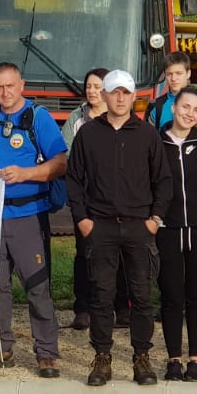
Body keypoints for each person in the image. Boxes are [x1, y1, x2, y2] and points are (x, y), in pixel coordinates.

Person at [66, 69, 170, 388]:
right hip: (100, 227)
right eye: (115, 92)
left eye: (126, 92)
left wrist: (154, 220)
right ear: (105, 95)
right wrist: (83, 220)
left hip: (139, 227)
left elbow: (163, 180)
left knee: (141, 296)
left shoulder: (147, 134)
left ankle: (141, 357)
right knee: (101, 296)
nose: (121, 98)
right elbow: (74, 179)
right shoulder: (88, 134)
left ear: (133, 96)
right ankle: (102, 357)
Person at [0, 63, 68, 377]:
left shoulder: (38, 118)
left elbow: (60, 163)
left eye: (10, 86)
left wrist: (27, 174)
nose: (5, 92)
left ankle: (47, 353)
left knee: (36, 286)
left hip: (28, 215)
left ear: (21, 85)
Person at [157, 87, 197, 381]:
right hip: (167, 230)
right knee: (171, 296)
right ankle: (173, 358)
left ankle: (196, 359)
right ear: (174, 107)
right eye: (185, 107)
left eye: (196, 110)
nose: (190, 114)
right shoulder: (156, 142)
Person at [64, 68, 127, 333]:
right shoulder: (76, 119)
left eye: (97, 86)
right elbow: (67, 155)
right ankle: (83, 308)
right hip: (87, 198)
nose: (91, 91)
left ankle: (122, 308)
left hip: (117, 199)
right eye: (88, 86)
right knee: (85, 254)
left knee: (120, 254)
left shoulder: (121, 119)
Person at [144, 52, 193, 130]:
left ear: (188, 74)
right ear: (165, 75)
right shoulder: (155, 106)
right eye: (169, 74)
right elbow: (149, 136)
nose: (173, 78)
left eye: (178, 73)